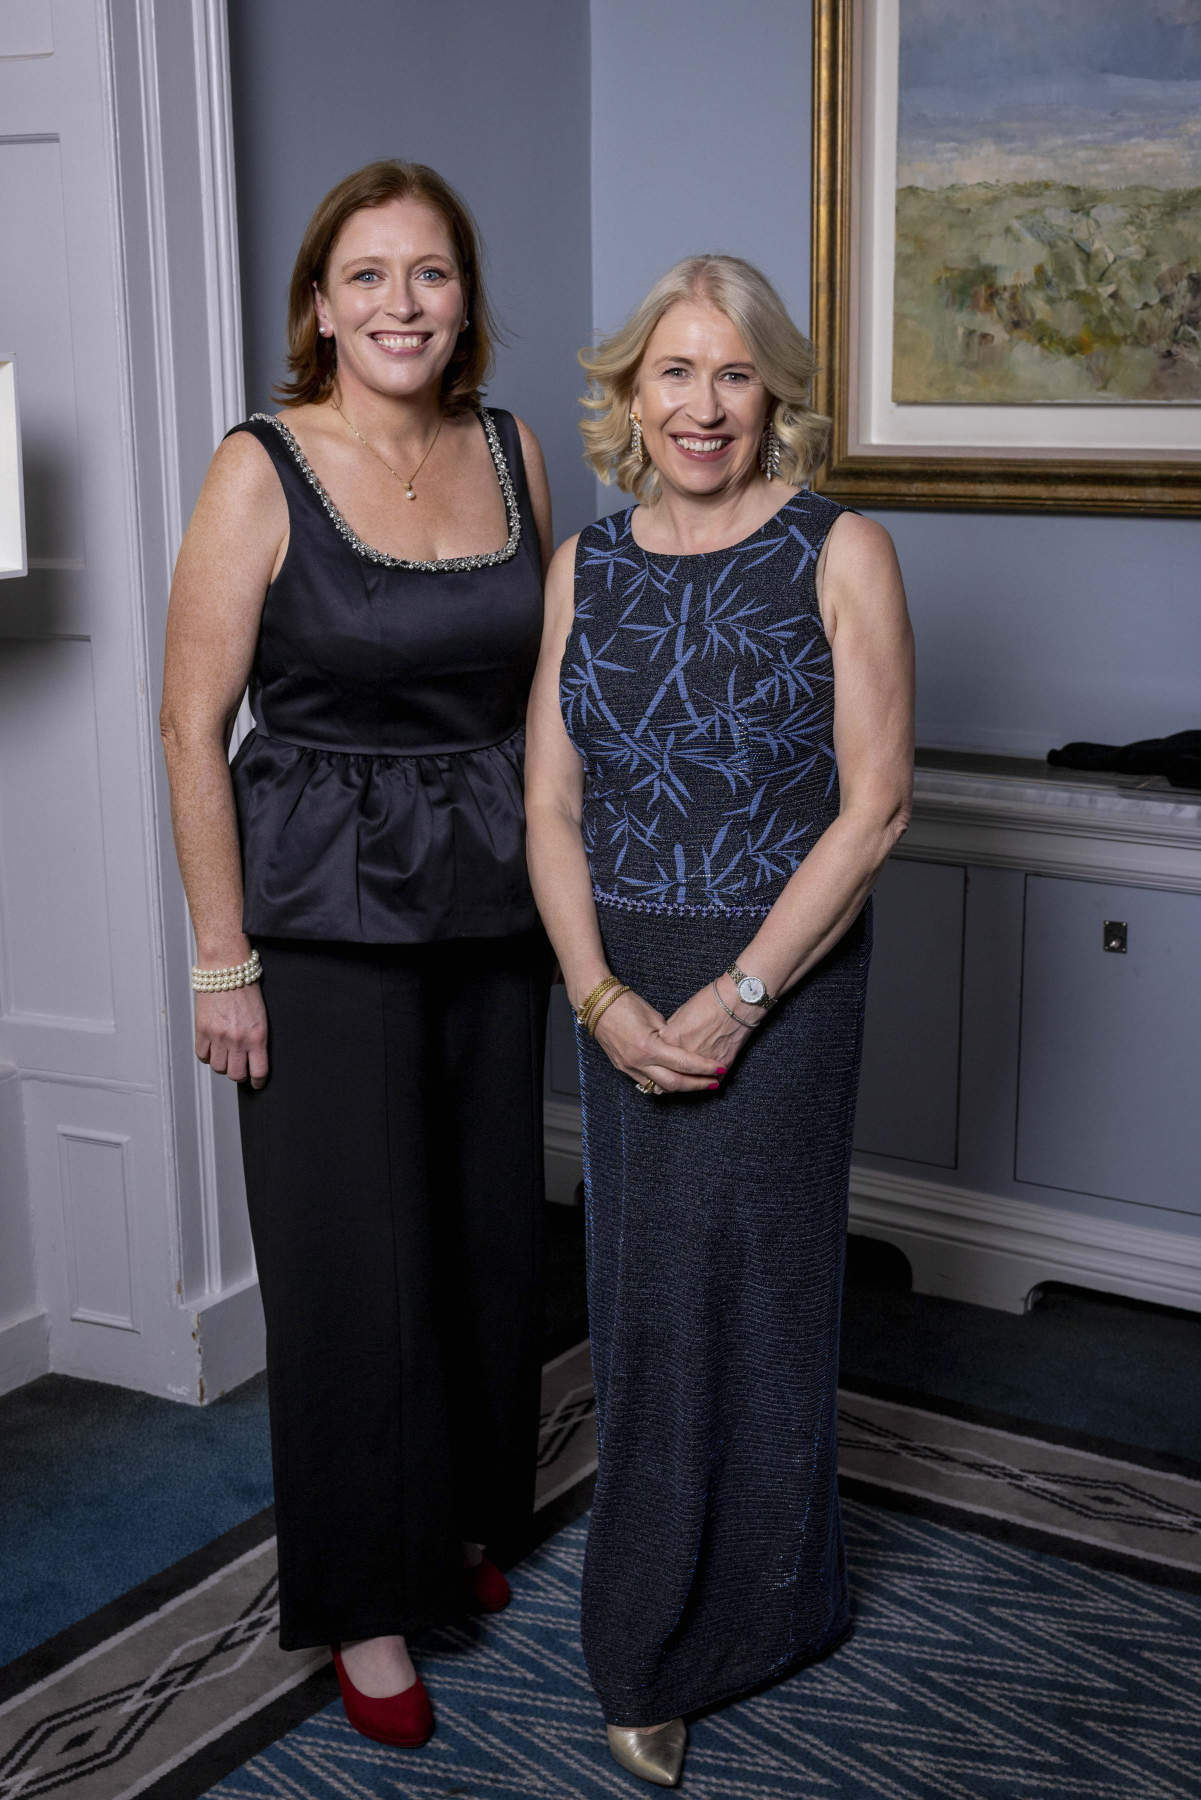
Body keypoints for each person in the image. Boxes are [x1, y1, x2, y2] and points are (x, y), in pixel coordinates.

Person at [160, 160, 554, 1750]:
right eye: (369, 275)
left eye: (431, 273)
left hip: (496, 910)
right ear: (320, 305)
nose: (403, 303)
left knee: (481, 1240)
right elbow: (189, 724)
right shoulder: (259, 467)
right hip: (320, 925)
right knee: (351, 1267)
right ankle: (362, 1599)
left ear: (466, 300)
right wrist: (221, 958)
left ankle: (451, 1526)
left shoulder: (514, 450)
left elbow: (544, 699)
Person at [525, 254, 914, 1787]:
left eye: (734, 374)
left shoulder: (843, 549)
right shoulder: (584, 564)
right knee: (640, 1303)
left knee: (755, 1295)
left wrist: (743, 995)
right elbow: (549, 806)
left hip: (784, 976)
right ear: (632, 394)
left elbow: (875, 810)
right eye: (674, 372)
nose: (703, 405)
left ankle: (740, 1614)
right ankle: (673, 1620)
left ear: (775, 396)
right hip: (618, 979)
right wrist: (598, 994)